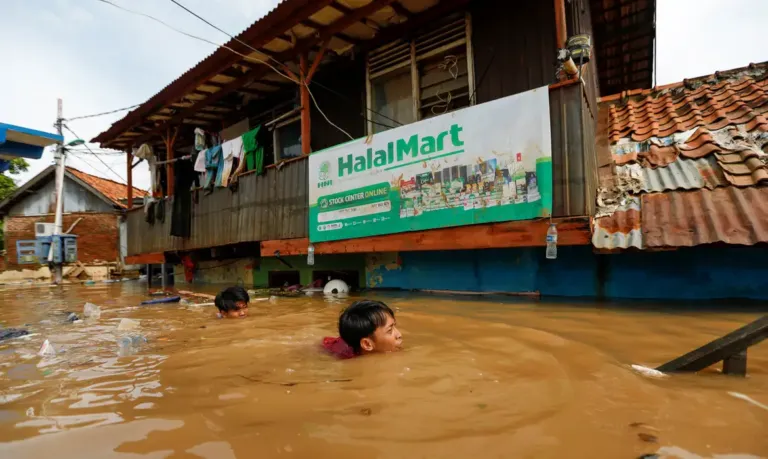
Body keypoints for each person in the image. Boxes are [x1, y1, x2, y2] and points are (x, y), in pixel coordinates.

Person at [323, 300, 402, 359]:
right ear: (367, 344)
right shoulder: (349, 362)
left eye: (394, 325)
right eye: (390, 331)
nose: (399, 335)